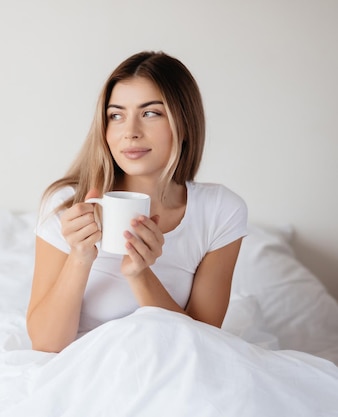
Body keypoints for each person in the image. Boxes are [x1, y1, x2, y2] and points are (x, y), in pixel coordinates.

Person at [26, 51, 247, 353]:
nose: (130, 132)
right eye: (116, 116)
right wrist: (80, 256)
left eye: (150, 113)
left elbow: (203, 346)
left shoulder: (220, 210)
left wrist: (140, 273)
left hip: (174, 371)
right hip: (85, 371)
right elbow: (46, 343)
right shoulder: (67, 204)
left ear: (184, 122)